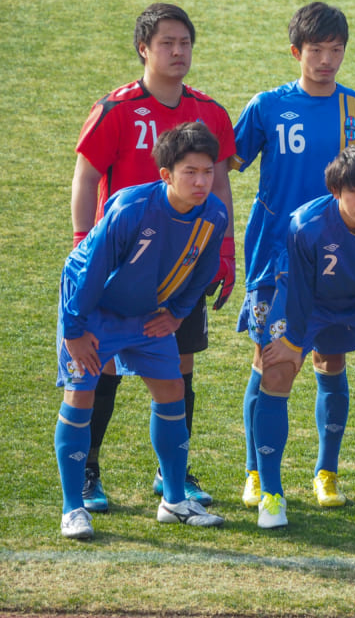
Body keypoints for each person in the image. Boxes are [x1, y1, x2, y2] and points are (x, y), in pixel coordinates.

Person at [70, 3, 236, 512]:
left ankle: (174, 474)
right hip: (123, 265)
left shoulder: (209, 111)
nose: (177, 52)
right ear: (144, 48)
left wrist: (224, 251)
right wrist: (83, 241)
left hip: (183, 264)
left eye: (184, 42)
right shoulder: (117, 109)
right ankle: (88, 472)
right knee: (102, 369)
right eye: (167, 43)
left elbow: (223, 182)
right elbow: (87, 176)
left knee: (178, 367)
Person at [232, 2, 355, 510]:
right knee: (269, 360)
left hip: (338, 258)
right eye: (316, 51)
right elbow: (226, 162)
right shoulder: (268, 105)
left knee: (330, 358)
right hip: (275, 258)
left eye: (335, 50)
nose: (326, 60)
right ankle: (255, 470)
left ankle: (326, 471)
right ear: (296, 51)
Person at [56, 122, 228, 539]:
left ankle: (173, 500)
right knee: (81, 393)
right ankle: (73, 508)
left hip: (148, 314)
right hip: (93, 308)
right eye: (191, 172)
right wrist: (76, 329)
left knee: (171, 390)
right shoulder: (131, 208)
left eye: (207, 172)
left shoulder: (214, 215)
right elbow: (91, 269)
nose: (202, 181)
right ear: (166, 174)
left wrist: (176, 312)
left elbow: (204, 270)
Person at [253, 146, 355, 530]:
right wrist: (293, 339)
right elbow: (295, 288)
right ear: (336, 190)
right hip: (307, 304)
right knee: (276, 370)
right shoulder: (304, 224)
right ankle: (271, 495)